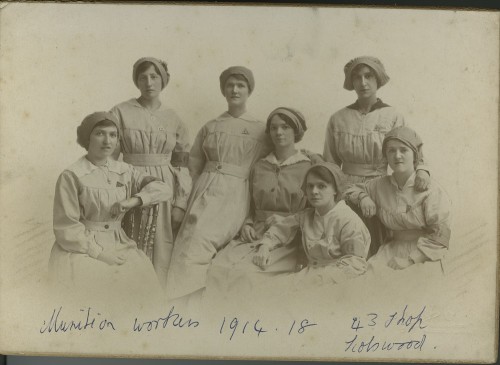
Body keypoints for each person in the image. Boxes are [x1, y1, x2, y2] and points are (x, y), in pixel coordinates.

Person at [166, 66, 271, 304]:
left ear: (249, 91)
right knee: (190, 246)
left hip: (238, 194)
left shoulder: (260, 129)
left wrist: (250, 217)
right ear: (223, 90)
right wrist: (182, 203)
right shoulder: (211, 126)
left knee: (221, 253)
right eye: (230, 85)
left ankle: (204, 307)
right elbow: (192, 168)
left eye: (240, 85)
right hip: (206, 191)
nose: (234, 90)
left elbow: (262, 172)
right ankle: (182, 307)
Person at [48, 112, 169, 303]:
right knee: (97, 283)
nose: (107, 141)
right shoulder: (72, 175)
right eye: (100, 133)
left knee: (141, 280)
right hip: (82, 247)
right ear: (87, 137)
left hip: (120, 242)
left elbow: (163, 188)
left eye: (113, 135)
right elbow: (66, 228)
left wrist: (134, 200)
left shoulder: (124, 171)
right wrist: (100, 254)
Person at [323, 56, 430, 257]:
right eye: (357, 77)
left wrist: (423, 171)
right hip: (346, 188)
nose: (363, 83)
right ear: (351, 82)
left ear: (377, 79)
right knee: (346, 244)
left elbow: (412, 151)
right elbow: (330, 165)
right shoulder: (338, 119)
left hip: (382, 188)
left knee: (379, 247)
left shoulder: (393, 115)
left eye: (368, 76)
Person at [204, 107, 312, 298]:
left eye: (285, 127)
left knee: (247, 275)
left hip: (289, 237)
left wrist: (288, 221)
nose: (279, 132)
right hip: (256, 233)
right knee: (218, 267)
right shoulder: (260, 166)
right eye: (273, 128)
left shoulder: (308, 167)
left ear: (296, 131)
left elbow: (313, 210)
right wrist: (246, 223)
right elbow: (249, 205)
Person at [110, 57, 191, 289]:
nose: (149, 82)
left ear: (163, 81)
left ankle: (158, 302)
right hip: (131, 182)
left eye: (154, 76)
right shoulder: (120, 111)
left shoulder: (174, 118)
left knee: (160, 244)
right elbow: (110, 158)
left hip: (164, 188)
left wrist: (181, 203)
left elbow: (182, 164)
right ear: (136, 80)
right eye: (143, 77)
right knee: (130, 241)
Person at [243, 162, 371, 299]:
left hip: (338, 283)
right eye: (310, 186)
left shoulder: (348, 220)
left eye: (321, 186)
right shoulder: (307, 216)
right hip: (310, 275)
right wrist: (265, 246)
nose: (314, 191)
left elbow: (355, 264)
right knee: (260, 290)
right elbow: (281, 229)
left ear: (335, 189)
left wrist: (313, 281)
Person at [345, 126, 451, 273]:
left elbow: (441, 235)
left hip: (425, 253)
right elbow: (350, 189)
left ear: (414, 155)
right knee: (369, 279)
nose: (397, 156)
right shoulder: (379, 185)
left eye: (403, 150)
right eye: (391, 151)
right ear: (386, 157)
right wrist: (363, 197)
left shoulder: (431, 189)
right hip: (391, 248)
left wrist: (410, 260)